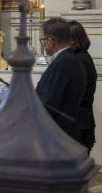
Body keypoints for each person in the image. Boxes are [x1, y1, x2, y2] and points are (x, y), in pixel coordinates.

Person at [36, 18, 86, 143]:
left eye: (42, 40)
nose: (42, 43)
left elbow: (48, 103)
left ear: (50, 41)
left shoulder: (61, 64)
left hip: (57, 135)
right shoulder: (71, 59)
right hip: (66, 132)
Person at [68, 20, 97, 154]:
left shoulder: (79, 60)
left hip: (78, 124)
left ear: (74, 40)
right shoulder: (82, 57)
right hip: (81, 122)